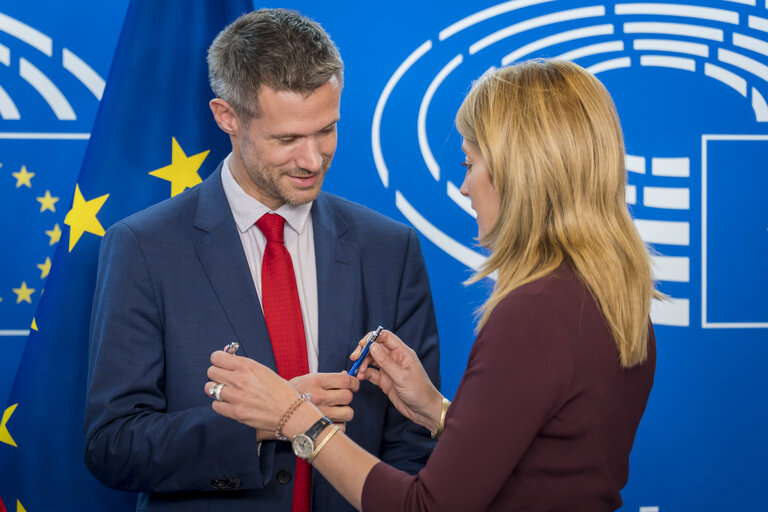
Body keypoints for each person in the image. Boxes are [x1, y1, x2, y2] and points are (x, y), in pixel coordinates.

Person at [205, 59, 659, 511]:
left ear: (521, 173)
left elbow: (426, 507)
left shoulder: (534, 314)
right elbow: (548, 465)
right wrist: (434, 409)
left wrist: (293, 414)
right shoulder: (604, 295)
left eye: (470, 163)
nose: (465, 187)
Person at [84, 8, 439, 512]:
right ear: (227, 117)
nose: (313, 159)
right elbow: (112, 447)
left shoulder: (390, 249)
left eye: (327, 130)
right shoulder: (143, 248)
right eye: (288, 139)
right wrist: (262, 420)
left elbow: (413, 442)